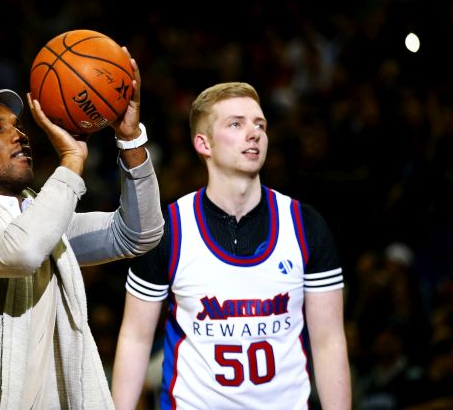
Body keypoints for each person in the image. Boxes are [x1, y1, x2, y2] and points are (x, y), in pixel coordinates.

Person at [0, 51, 164, 410]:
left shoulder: (40, 222)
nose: (19, 135)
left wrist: (130, 139)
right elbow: (22, 251)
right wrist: (71, 163)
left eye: (17, 126)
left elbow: (138, 234)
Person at [111, 82, 351, 410]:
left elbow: (329, 342)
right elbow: (135, 339)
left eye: (260, 125)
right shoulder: (169, 230)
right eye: (236, 124)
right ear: (203, 143)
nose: (254, 134)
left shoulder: (305, 225)